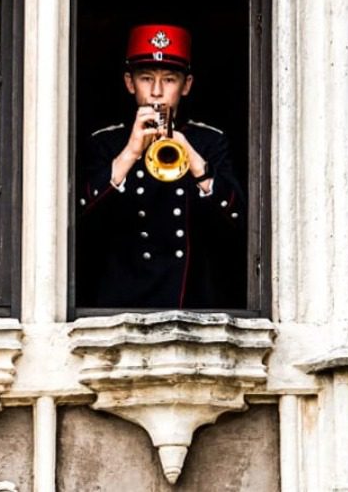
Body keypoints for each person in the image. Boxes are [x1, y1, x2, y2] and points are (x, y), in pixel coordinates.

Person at [77, 24, 245, 309]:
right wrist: (130, 152)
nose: (156, 92)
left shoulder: (209, 142)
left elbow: (239, 223)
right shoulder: (106, 142)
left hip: (192, 303)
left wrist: (191, 156)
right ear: (130, 83)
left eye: (169, 79)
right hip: (121, 303)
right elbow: (79, 223)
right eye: (146, 78)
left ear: (186, 85)